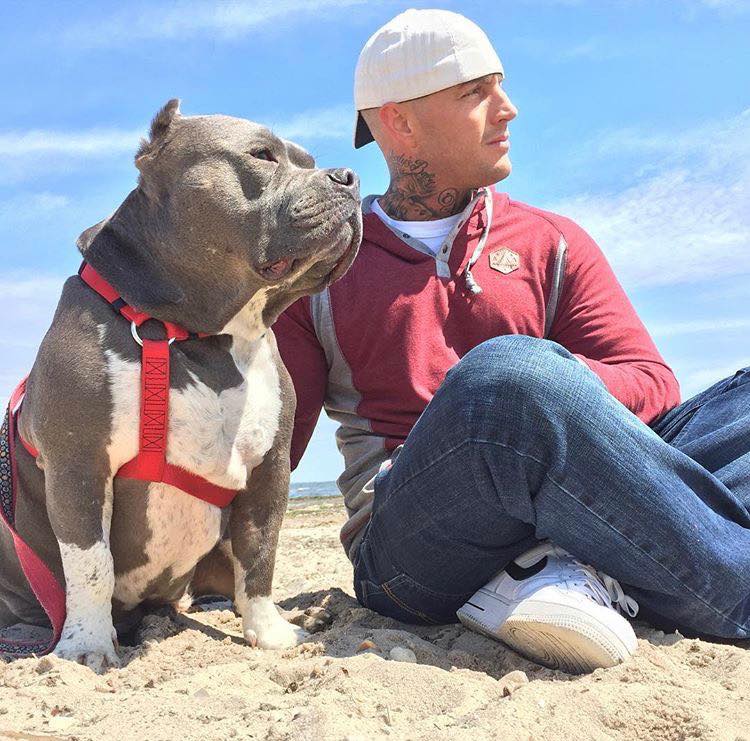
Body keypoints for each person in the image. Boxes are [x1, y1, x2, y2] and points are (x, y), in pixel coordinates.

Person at [275, 8, 750, 673]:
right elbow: (265, 451)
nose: (509, 109)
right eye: (477, 92)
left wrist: (558, 401)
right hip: (409, 542)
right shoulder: (320, 268)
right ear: (399, 121)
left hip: (562, 492)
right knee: (505, 384)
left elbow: (648, 378)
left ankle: (566, 571)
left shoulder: (551, 241)